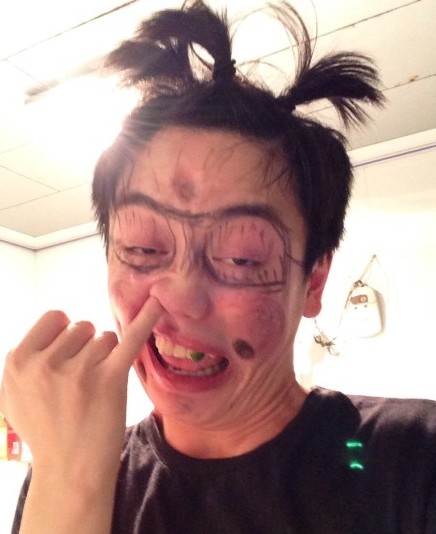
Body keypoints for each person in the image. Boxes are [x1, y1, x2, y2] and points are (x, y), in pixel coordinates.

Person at [2, 1, 436, 532]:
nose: (179, 297)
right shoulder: (67, 472)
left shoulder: (416, 461)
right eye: (142, 248)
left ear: (315, 281)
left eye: (241, 258)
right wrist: (70, 480)